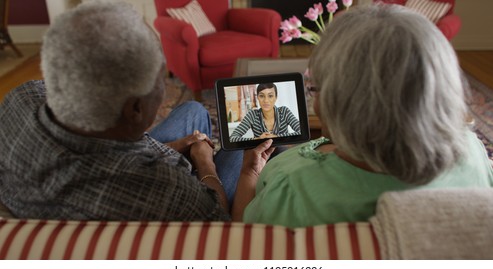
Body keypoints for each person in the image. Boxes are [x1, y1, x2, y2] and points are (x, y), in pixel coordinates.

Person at [232, 4, 493, 228]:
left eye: (317, 88)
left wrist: (249, 174)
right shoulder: (474, 153)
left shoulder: (292, 187)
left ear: (336, 104)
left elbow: (247, 238)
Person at [0, 1, 245, 221]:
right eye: (161, 81)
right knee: (249, 146)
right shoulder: (169, 190)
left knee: (193, 109)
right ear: (135, 109)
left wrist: (173, 148)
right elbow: (217, 218)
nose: (164, 88)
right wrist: (204, 162)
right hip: (127, 188)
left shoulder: (21, 98)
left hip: (77, 173)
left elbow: (105, 150)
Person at [230, 83, 301, 142]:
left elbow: (301, 131)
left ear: (275, 98)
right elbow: (233, 138)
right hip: (261, 153)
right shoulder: (252, 115)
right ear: (257, 97)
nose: (266, 100)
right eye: (261, 96)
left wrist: (276, 137)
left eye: (270, 96)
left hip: (282, 152)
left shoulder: (284, 111)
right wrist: (257, 139)